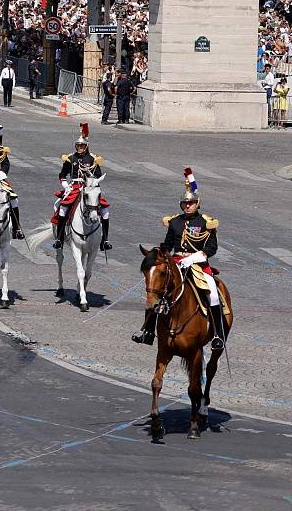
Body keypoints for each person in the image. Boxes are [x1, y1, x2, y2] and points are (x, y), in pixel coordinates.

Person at [131, 170, 226, 350]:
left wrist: (194, 258)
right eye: (185, 203)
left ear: (197, 204)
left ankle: (217, 335)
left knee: (212, 293)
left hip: (198, 265)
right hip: (176, 262)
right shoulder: (175, 222)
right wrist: (158, 254)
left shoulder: (206, 222)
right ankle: (148, 331)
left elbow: (211, 248)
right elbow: (168, 244)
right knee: (155, 292)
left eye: (190, 203)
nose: (187, 206)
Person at [51, 123, 111, 250]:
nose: (80, 148)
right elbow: (62, 174)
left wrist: (92, 183)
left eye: (82, 146)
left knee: (105, 211)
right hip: (74, 187)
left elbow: (98, 175)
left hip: (89, 189)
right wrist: (66, 185)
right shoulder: (70, 158)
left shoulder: (93, 159)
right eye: (78, 146)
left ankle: (105, 240)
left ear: (86, 146)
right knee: (62, 208)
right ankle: (59, 238)